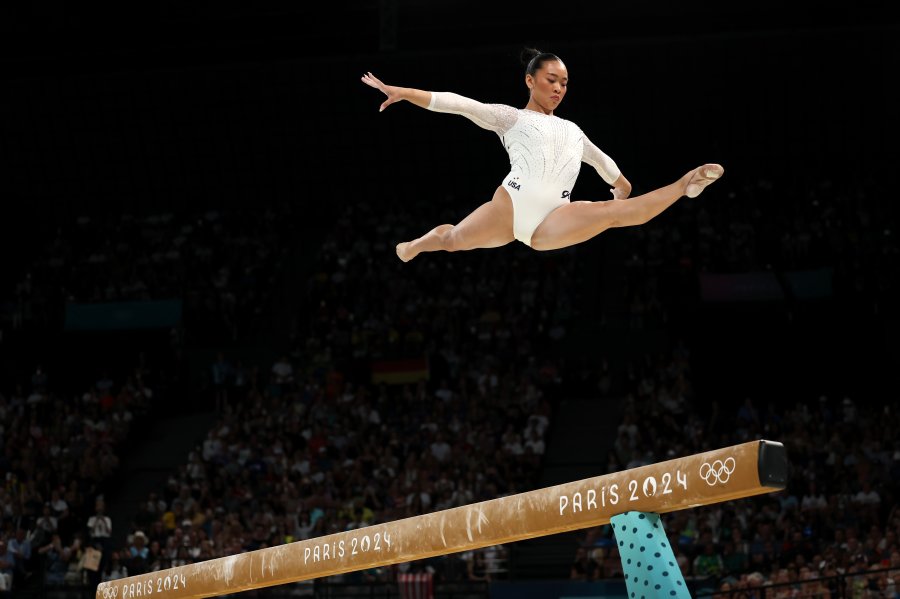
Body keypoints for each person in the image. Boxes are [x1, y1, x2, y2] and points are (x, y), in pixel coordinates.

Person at [361, 47, 723, 262]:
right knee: (452, 240)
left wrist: (621, 187)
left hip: (552, 220)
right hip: (510, 207)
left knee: (611, 215)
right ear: (530, 81)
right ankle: (415, 246)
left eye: (564, 83)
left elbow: (603, 163)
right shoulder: (510, 117)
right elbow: (460, 105)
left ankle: (684, 185)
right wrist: (404, 92)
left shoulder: (573, 130)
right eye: (551, 79)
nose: (558, 88)